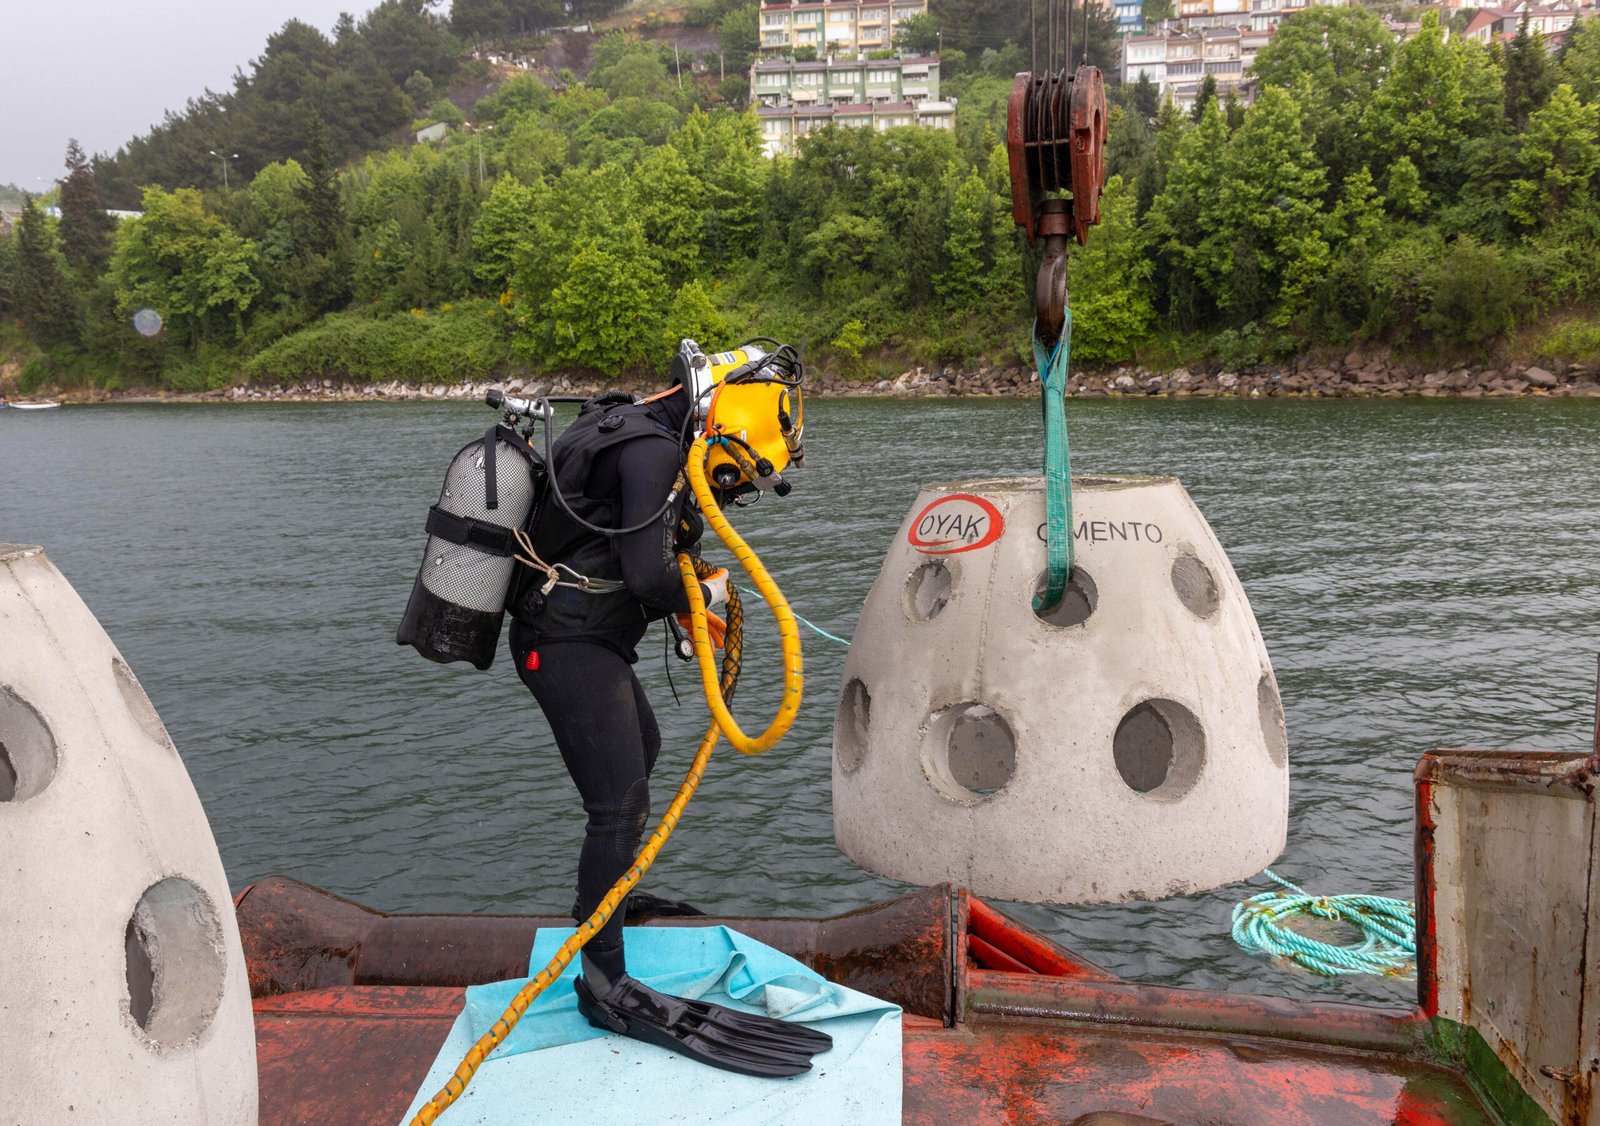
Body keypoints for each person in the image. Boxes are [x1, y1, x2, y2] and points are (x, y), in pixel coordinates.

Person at [505, 358, 830, 1077]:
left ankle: (608, 897)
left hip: (581, 633)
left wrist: (691, 587)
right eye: (735, 476)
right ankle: (603, 982)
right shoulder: (653, 450)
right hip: (564, 643)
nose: (731, 489)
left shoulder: (642, 427)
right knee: (616, 801)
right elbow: (648, 573)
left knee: (640, 752)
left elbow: (638, 547)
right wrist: (700, 601)